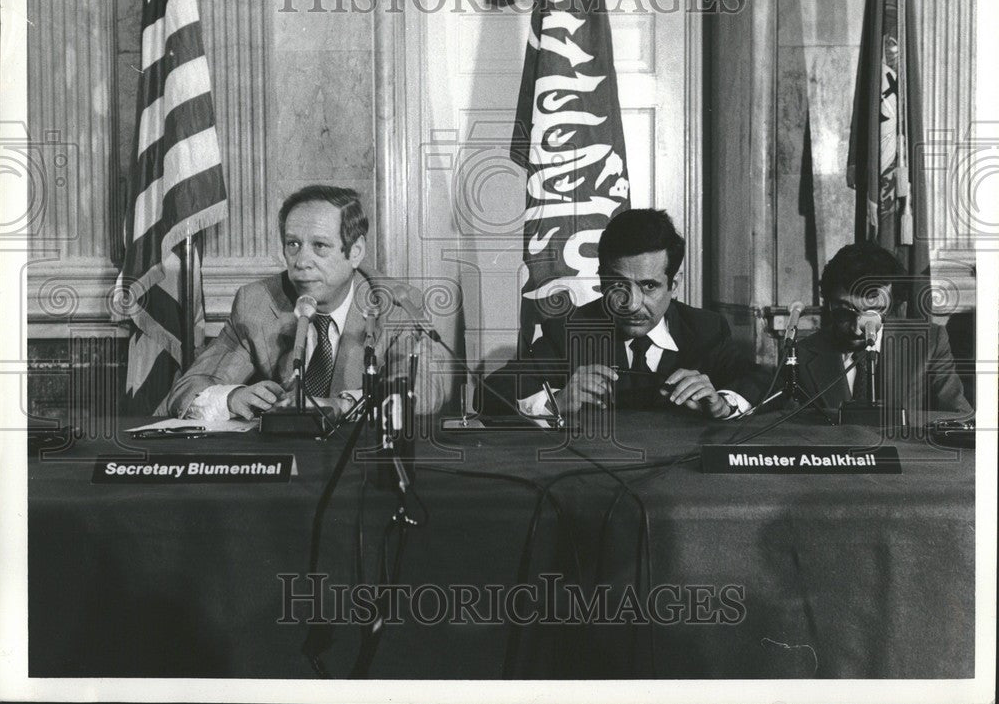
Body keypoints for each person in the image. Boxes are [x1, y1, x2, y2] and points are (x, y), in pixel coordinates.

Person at [163, 185, 445, 420]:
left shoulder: (395, 305)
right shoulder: (257, 302)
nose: (301, 262)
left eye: (319, 246)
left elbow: (424, 393)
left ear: (355, 252)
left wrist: (344, 405)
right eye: (293, 244)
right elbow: (186, 391)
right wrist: (232, 398)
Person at [486, 209, 761, 419]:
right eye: (618, 286)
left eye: (649, 286)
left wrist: (724, 404)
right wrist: (555, 402)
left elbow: (761, 381)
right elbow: (492, 393)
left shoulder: (706, 329)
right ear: (602, 281)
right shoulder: (569, 331)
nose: (631, 304)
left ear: (673, 286)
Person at [795, 242, 971, 415]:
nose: (857, 329)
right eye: (844, 313)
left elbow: (959, 417)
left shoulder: (930, 342)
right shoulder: (800, 355)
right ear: (829, 303)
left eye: (873, 312)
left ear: (892, 302)